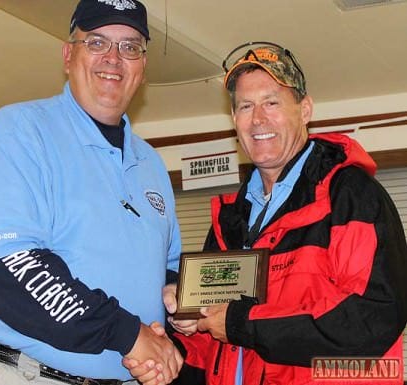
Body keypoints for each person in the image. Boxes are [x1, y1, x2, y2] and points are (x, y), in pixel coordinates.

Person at [127, 41, 407, 385]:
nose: (258, 118)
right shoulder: (229, 220)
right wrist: (172, 339)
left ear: (305, 110)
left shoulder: (350, 195)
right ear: (234, 119)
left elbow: (372, 318)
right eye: (246, 106)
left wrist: (239, 324)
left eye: (272, 102)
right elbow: (210, 343)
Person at [0, 1, 183, 385]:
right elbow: (7, 271)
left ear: (142, 67)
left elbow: (166, 266)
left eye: (130, 47)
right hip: (23, 375)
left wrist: (179, 302)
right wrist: (128, 334)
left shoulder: (152, 165)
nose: (113, 58)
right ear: (68, 55)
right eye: (96, 43)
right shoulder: (19, 132)